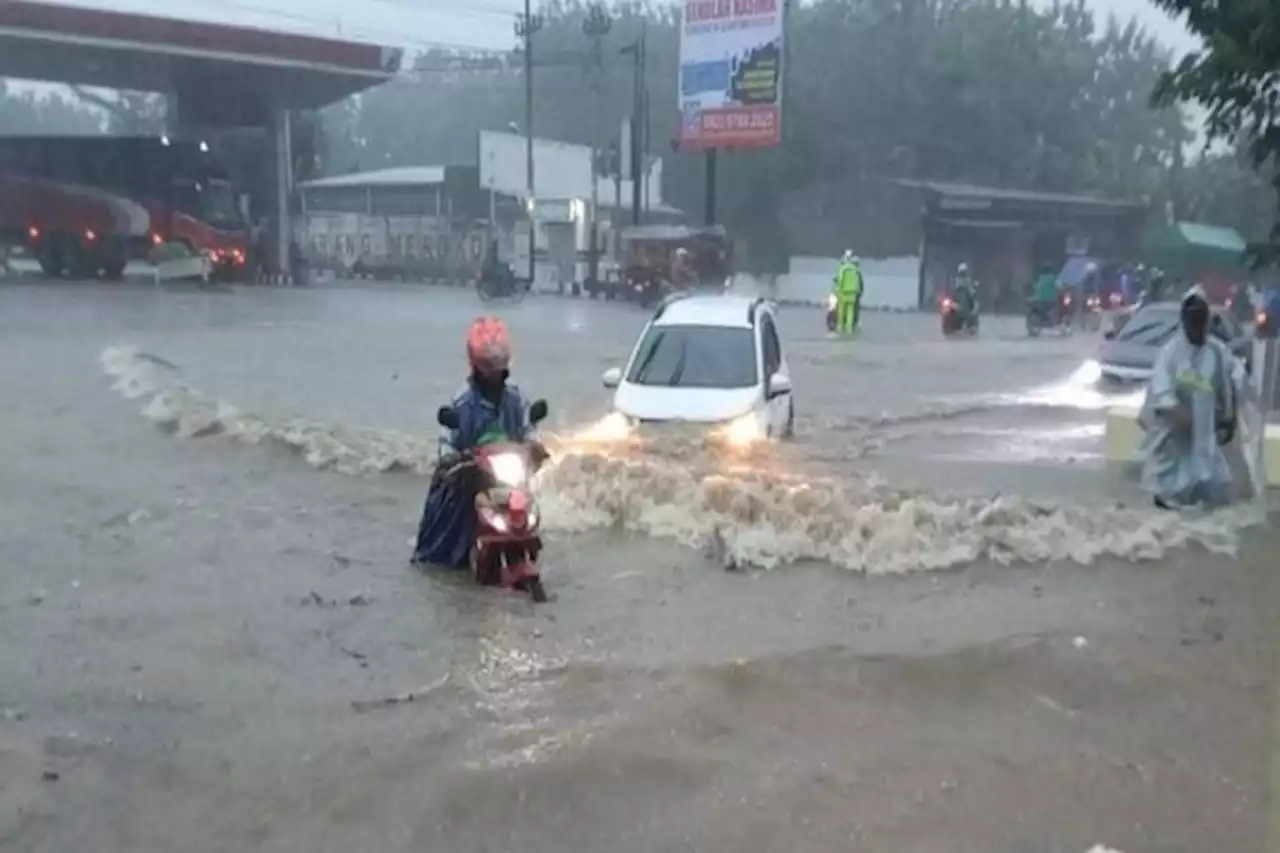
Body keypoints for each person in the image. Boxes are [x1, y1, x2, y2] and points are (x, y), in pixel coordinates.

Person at [412, 316, 536, 567]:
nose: (493, 369)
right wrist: (450, 457)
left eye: (497, 362)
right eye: (487, 363)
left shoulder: (516, 396)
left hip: (506, 474)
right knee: (442, 539)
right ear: (475, 363)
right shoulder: (463, 401)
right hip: (469, 475)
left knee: (528, 507)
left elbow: (527, 425)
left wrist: (534, 444)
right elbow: (448, 439)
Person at [1138, 286, 1238, 510]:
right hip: (1172, 452)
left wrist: (1230, 419)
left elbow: (1230, 386)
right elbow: (1161, 392)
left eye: (1200, 318)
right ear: (1183, 320)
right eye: (1192, 318)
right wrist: (1176, 411)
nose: (1196, 324)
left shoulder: (1218, 352)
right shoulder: (1170, 354)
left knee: (1211, 515)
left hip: (1206, 451)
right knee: (1167, 516)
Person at [832, 251, 863, 334]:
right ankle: (849, 328)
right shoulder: (855, 270)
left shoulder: (843, 269)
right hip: (853, 292)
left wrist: (837, 289)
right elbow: (858, 282)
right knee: (850, 311)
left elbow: (840, 280)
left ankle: (840, 326)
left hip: (843, 292)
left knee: (841, 310)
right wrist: (858, 291)